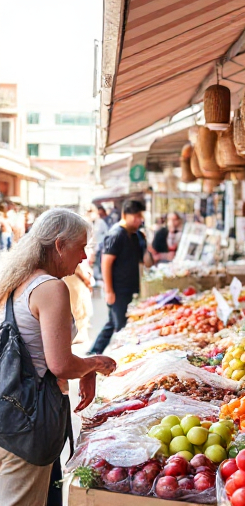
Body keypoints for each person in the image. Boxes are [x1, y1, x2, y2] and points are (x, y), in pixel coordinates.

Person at [0, 208, 116, 506]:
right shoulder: (51, 288)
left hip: (8, 409)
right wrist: (96, 364)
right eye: (80, 248)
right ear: (59, 245)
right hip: (26, 420)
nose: (83, 258)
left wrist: (85, 367)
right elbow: (60, 364)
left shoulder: (17, 279)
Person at [89, 200, 154, 355]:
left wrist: (146, 244)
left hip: (132, 287)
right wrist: (109, 291)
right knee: (122, 328)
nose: (139, 220)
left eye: (141, 217)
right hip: (118, 289)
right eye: (136, 216)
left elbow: (147, 262)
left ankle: (94, 353)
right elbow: (106, 263)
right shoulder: (116, 234)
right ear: (125, 215)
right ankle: (119, 358)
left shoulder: (138, 235)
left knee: (113, 322)